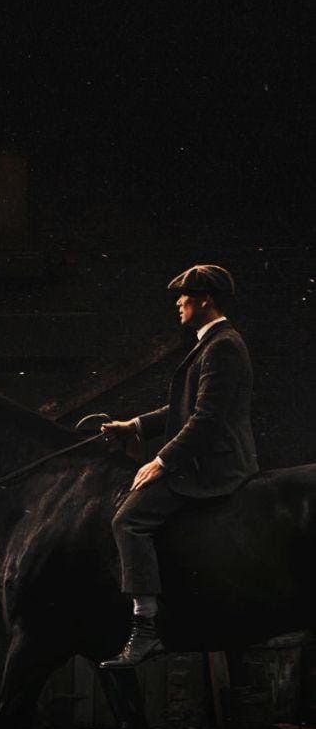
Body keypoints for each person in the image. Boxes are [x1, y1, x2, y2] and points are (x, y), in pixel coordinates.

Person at [100, 264, 259, 668]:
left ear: (205, 298)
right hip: (204, 457)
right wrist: (133, 425)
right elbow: (185, 408)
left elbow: (206, 419)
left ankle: (146, 629)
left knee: (128, 521)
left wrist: (161, 460)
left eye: (184, 295)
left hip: (216, 466)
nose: (178, 302)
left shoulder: (223, 345)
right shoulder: (213, 342)